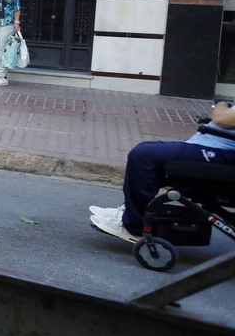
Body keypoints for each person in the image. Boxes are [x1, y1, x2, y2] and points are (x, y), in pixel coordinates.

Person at [90, 100, 235, 244]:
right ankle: (131, 212)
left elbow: (222, 119)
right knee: (147, 148)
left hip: (223, 155)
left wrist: (221, 104)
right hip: (213, 148)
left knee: (143, 155)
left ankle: (133, 226)